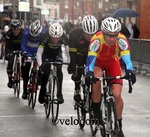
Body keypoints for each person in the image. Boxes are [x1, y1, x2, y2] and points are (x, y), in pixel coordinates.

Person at [85, 17, 136, 137]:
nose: (112, 38)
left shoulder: (122, 40)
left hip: (112, 62)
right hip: (98, 62)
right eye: (109, 35)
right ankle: (97, 110)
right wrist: (89, 73)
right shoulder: (96, 40)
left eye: (115, 35)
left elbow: (127, 60)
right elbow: (90, 60)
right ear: (103, 33)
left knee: (117, 94)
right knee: (96, 80)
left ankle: (119, 125)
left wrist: (130, 71)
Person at [67, 15, 99, 102]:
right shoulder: (75, 34)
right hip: (80, 53)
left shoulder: (100, 35)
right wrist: (72, 64)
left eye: (92, 34)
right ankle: (77, 89)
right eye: (87, 34)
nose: (90, 37)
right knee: (78, 67)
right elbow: (72, 52)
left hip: (93, 54)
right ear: (83, 31)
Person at [37, 22, 70, 104]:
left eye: (57, 38)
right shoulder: (45, 36)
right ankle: (42, 90)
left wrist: (69, 64)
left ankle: (59, 94)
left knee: (59, 70)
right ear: (50, 35)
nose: (55, 40)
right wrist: (41, 65)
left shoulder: (64, 37)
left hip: (57, 53)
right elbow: (39, 53)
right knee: (46, 71)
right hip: (46, 53)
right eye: (53, 38)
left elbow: (68, 53)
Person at [21, 19, 47, 99]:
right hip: (29, 50)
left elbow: (46, 45)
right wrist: (24, 52)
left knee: (42, 66)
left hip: (39, 50)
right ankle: (25, 90)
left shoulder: (44, 32)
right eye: (32, 35)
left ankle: (39, 79)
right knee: (26, 67)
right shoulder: (26, 32)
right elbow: (23, 44)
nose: (34, 37)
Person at [5, 19, 23, 88]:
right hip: (11, 48)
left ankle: (21, 71)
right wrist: (7, 53)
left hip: (21, 47)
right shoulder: (8, 34)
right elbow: (7, 45)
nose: (16, 31)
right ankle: (10, 80)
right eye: (14, 30)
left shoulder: (23, 33)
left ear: (20, 29)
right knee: (10, 61)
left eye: (17, 30)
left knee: (25, 59)